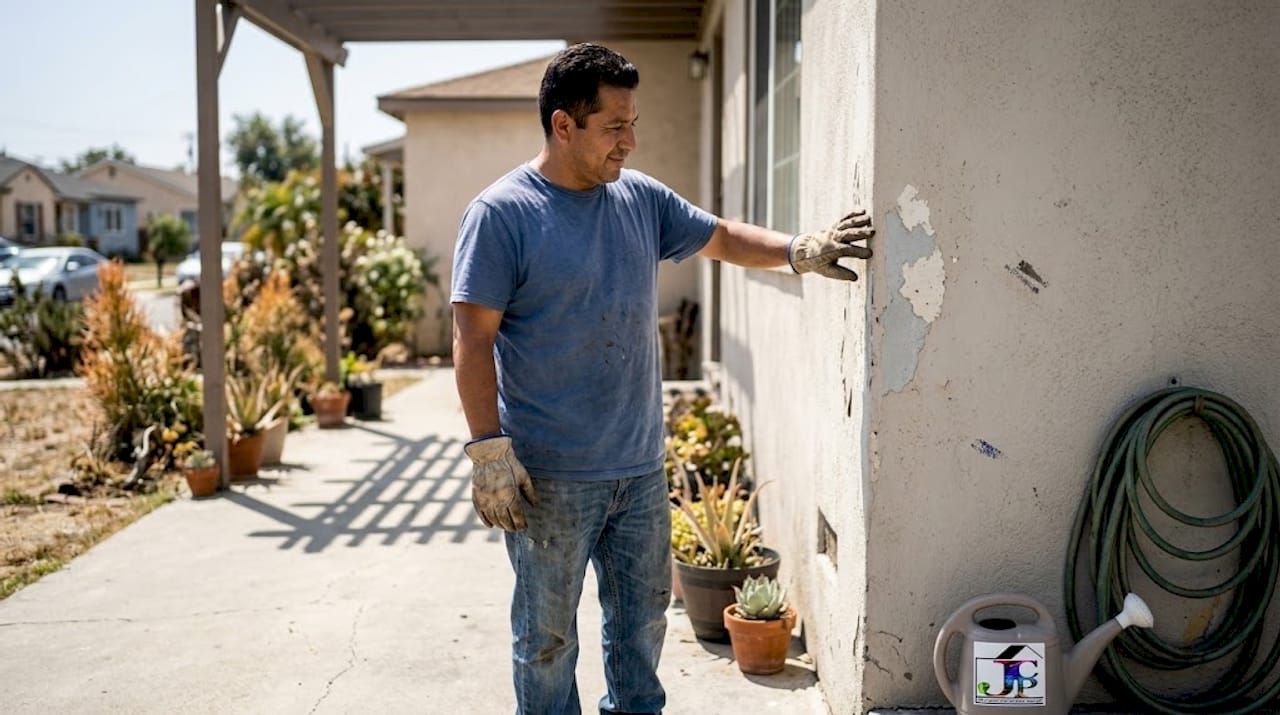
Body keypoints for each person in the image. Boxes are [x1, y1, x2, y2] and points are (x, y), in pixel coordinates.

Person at [451, 43, 873, 715]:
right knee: (546, 640)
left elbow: (722, 237)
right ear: (565, 126)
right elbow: (471, 340)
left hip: (640, 471)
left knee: (642, 626)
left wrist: (799, 251)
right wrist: (487, 451)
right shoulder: (503, 215)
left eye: (633, 122)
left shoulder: (639, 199)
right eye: (614, 124)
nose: (630, 140)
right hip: (550, 476)